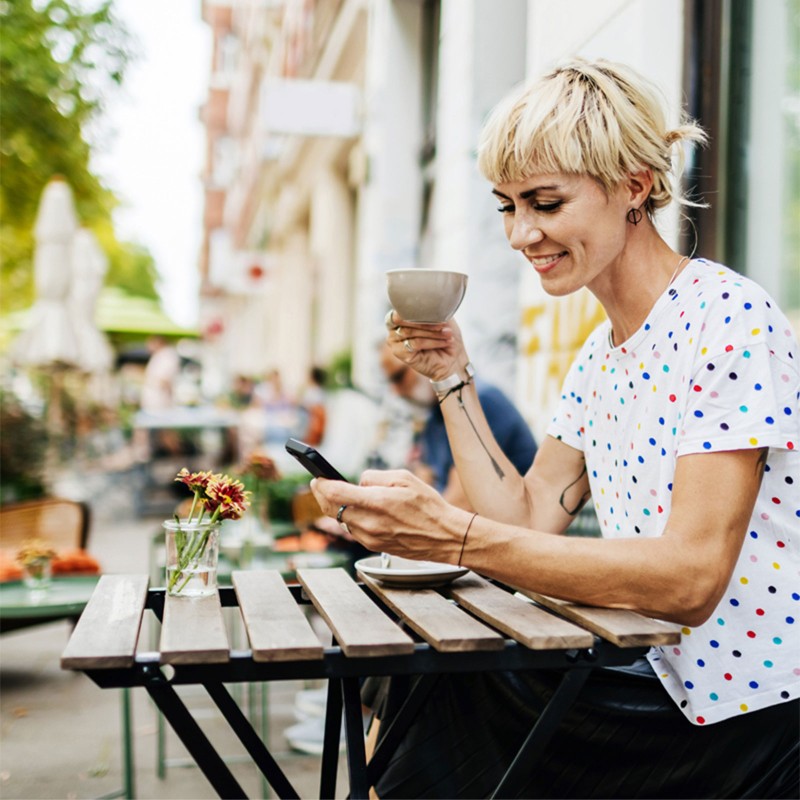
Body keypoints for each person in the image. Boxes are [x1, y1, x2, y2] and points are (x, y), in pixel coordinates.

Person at [310, 58, 799, 798]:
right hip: (642, 666)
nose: (521, 233)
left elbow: (692, 579)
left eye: (544, 202)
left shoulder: (726, 320)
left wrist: (450, 534)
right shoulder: (599, 358)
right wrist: (450, 377)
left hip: (742, 710)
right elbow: (530, 514)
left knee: (442, 693)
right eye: (507, 206)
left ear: (634, 184)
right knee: (415, 673)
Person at [379, 342, 537, 509]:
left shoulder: (477, 401)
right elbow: (424, 484)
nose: (395, 391)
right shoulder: (434, 417)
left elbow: (462, 502)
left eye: (399, 377)